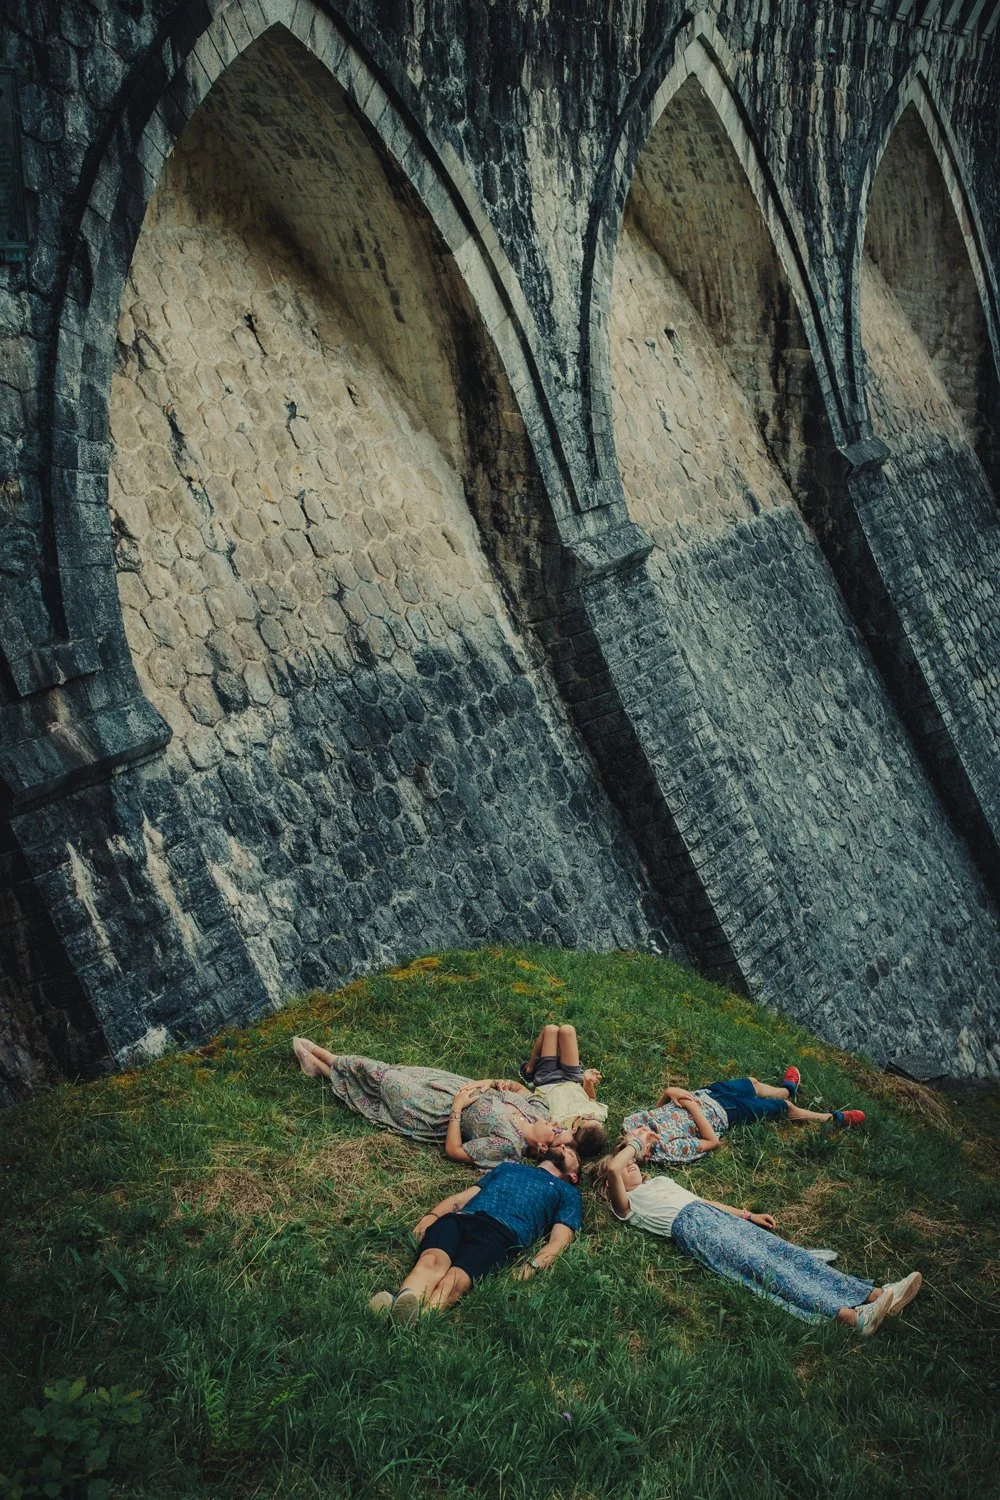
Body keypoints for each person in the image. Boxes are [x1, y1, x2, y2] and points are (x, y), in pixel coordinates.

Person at [592, 1132, 921, 1335]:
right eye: (621, 1168)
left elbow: (704, 1201)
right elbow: (614, 1167)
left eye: (631, 1162)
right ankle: (852, 1318)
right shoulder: (627, 1205)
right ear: (609, 1185)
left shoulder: (659, 1182)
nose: (630, 1164)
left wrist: (746, 1215)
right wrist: (635, 1143)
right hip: (694, 1230)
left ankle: (876, 1295)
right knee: (768, 1270)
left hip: (714, 1217)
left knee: (787, 1254)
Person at [291, 1036, 578, 1168]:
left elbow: (454, 1151)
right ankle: (320, 1069)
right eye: (559, 1127)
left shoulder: (508, 1146)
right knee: (393, 1074)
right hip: (450, 1085)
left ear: (542, 1147)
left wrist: (458, 1108)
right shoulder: (537, 1112)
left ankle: (321, 1053)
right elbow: (518, 1087)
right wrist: (492, 1082)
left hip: (434, 1110)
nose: (554, 1123)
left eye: (556, 1132)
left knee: (384, 1077)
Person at [368, 1145, 583, 1319]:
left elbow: (559, 1240)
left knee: (455, 1281)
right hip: (462, 1217)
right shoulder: (508, 1167)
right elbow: (463, 1197)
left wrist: (531, 1267)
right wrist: (432, 1216)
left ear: (573, 1175)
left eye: (570, 1153)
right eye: (563, 1146)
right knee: (430, 1261)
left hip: (501, 1233)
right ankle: (402, 1309)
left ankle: (415, 1321)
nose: (563, 1146)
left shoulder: (568, 1192)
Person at [623, 1065, 865, 1166]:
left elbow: (659, 1107)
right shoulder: (666, 1150)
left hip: (708, 1093)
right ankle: (832, 1118)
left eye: (635, 1136)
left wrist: (669, 1092)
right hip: (725, 1113)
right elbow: (712, 1142)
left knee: (753, 1082)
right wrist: (691, 1106)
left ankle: (787, 1089)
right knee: (785, 1109)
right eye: (643, 1142)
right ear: (646, 1155)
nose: (642, 1133)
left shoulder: (631, 1123)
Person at [517, 1024, 608, 1159]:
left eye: (586, 1118)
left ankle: (529, 1069)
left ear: (574, 1129)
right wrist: (588, 1082)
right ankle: (558, 1059)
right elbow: (591, 1100)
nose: (590, 1116)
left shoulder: (558, 1125)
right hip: (573, 1079)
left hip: (548, 1081)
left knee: (550, 1030)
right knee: (568, 1030)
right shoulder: (598, 1116)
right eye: (594, 1118)